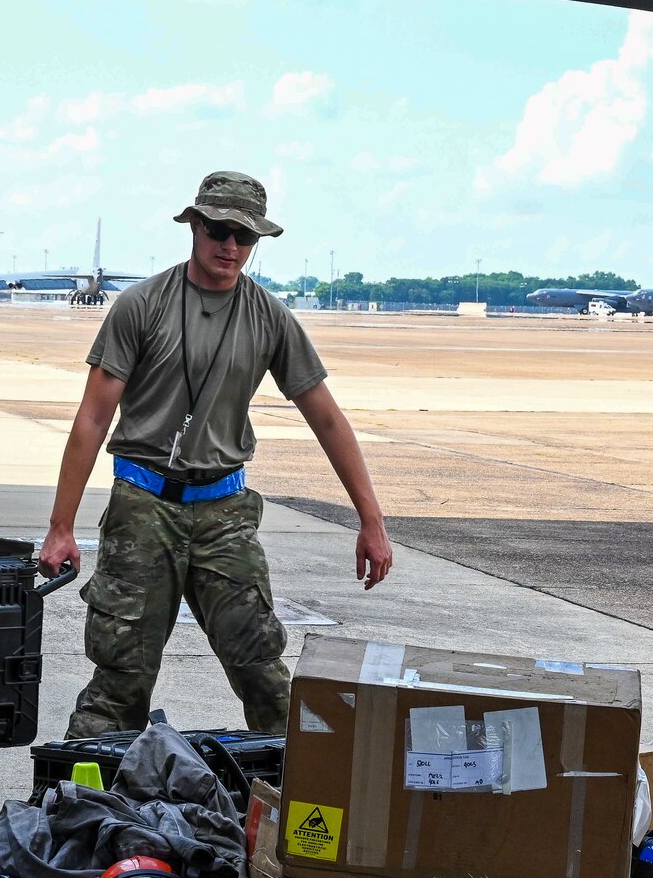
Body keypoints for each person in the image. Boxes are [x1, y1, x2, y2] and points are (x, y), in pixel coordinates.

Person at [38, 170, 394, 739]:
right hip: (143, 507)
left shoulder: (270, 316)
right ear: (194, 226)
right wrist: (61, 527)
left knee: (263, 671)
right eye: (220, 230)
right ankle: (83, 810)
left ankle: (298, 808)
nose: (231, 246)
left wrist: (371, 520)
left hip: (224, 514)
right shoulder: (141, 305)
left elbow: (326, 415)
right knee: (120, 681)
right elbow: (92, 420)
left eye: (245, 237)